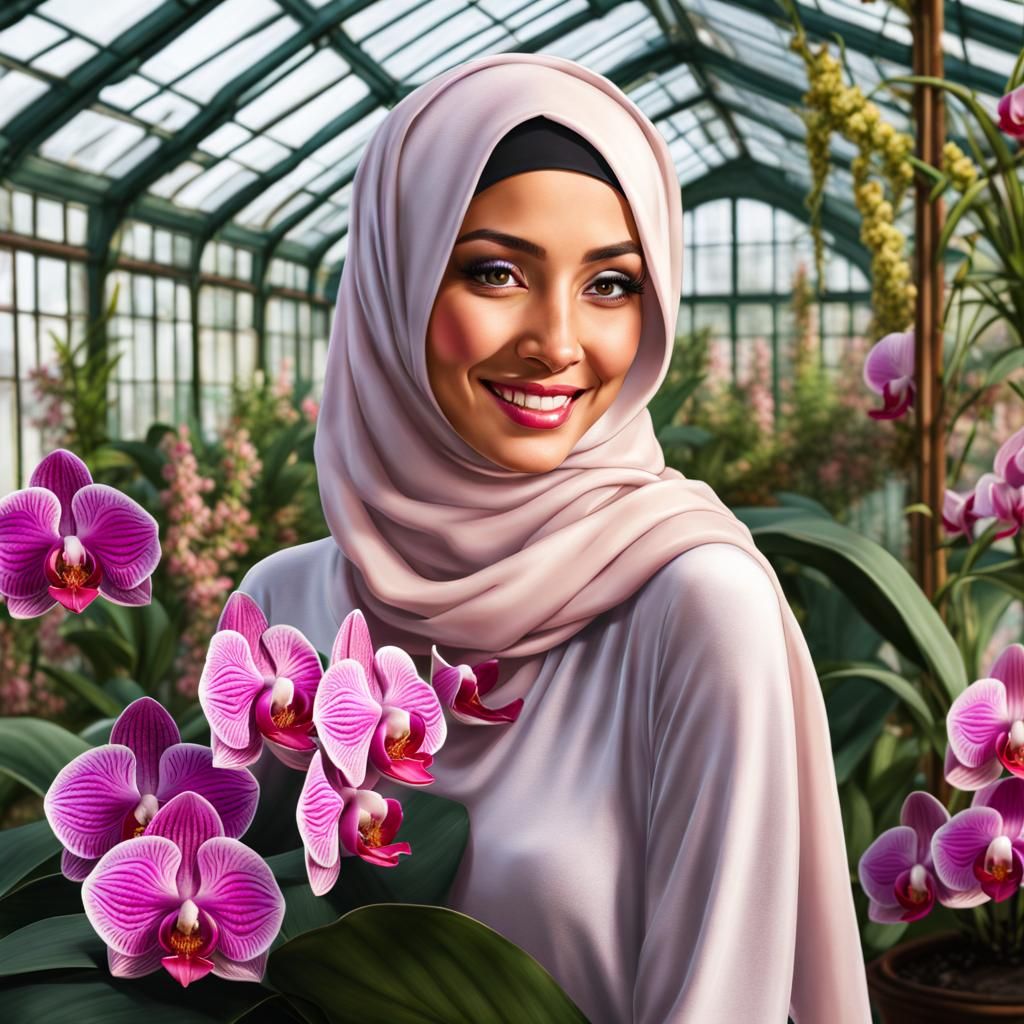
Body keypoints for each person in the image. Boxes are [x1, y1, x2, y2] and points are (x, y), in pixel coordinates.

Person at [238, 52, 872, 1023]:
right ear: (391, 280)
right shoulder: (282, 606)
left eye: (611, 284)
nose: (559, 342)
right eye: (495, 272)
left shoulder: (698, 606)